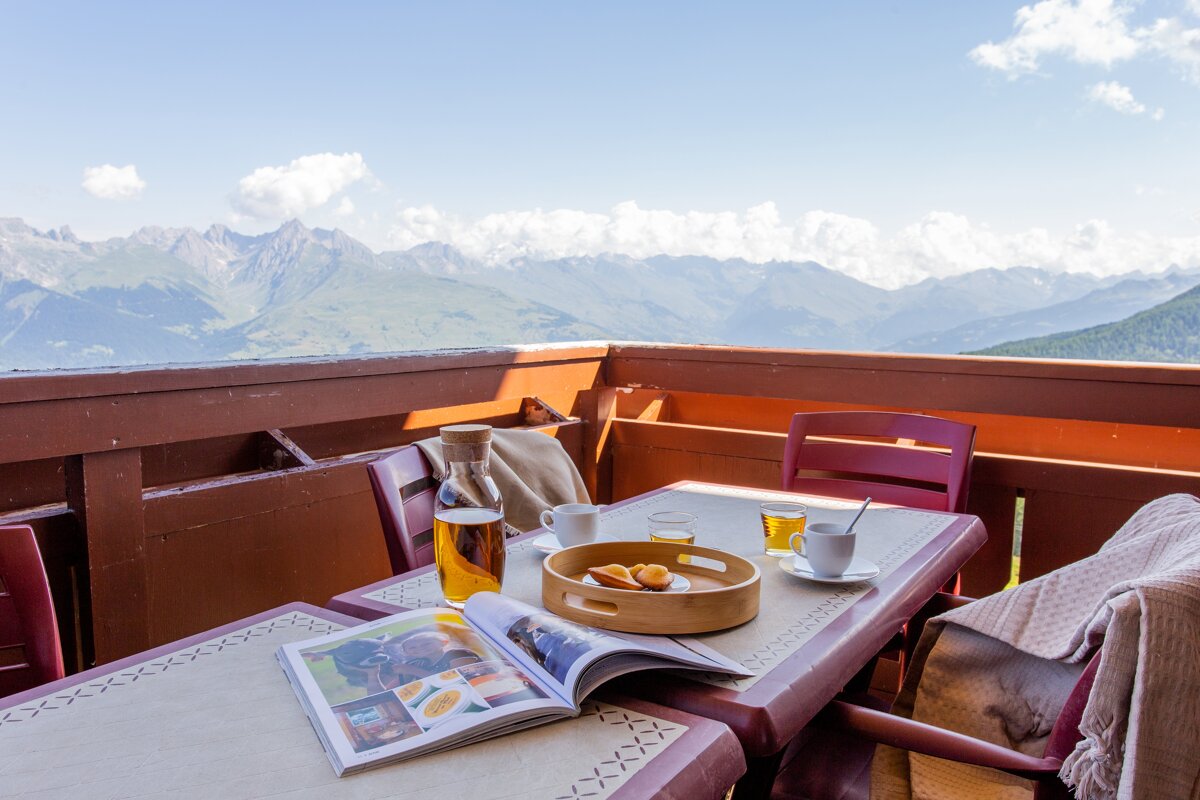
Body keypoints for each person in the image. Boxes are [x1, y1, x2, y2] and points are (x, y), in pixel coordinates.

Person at [384, 630, 481, 679]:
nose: (420, 648)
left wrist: (413, 671)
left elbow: (459, 680)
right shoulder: (419, 664)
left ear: (444, 642)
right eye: (412, 647)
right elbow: (390, 689)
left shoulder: (458, 654)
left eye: (427, 643)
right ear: (406, 652)